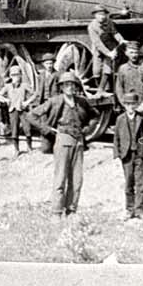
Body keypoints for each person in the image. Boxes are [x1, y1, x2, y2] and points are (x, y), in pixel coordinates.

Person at [29, 71, 95, 216]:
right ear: (62, 87)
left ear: (76, 86)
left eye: (72, 84)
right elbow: (32, 115)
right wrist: (46, 129)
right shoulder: (55, 101)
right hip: (63, 140)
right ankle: (56, 212)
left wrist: (86, 130)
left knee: (77, 180)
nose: (69, 87)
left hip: (78, 143)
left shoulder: (82, 102)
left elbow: (94, 116)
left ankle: (71, 210)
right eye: (66, 85)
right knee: (60, 178)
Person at [112, 92, 143, 219]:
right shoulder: (120, 119)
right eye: (128, 104)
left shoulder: (142, 119)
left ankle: (140, 210)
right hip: (126, 156)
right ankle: (129, 209)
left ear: (136, 105)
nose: (130, 107)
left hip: (139, 155)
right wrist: (117, 155)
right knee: (129, 183)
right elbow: (116, 138)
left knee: (140, 183)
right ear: (124, 105)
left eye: (133, 104)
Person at [0, 65, 36, 155]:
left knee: (27, 129)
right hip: (12, 110)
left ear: (21, 75)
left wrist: (27, 102)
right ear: (10, 76)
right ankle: (16, 150)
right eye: (13, 75)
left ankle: (29, 147)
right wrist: (5, 100)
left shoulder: (24, 85)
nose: (15, 77)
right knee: (14, 130)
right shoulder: (8, 86)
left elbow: (35, 94)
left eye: (17, 75)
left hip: (23, 110)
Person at [86, 8, 125, 95]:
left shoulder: (109, 22)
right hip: (98, 49)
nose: (102, 17)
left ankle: (102, 89)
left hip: (110, 45)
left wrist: (121, 40)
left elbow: (115, 33)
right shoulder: (92, 26)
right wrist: (108, 53)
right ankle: (98, 88)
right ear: (95, 16)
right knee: (96, 70)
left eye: (103, 14)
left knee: (108, 68)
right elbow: (97, 42)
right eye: (99, 15)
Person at [114, 41, 143, 116]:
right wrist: (124, 104)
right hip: (128, 105)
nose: (134, 55)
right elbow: (119, 88)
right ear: (126, 53)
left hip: (142, 105)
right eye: (131, 52)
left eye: (135, 53)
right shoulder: (123, 68)